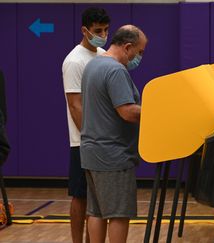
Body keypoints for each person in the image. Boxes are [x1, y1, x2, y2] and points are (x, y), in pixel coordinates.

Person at [80, 25, 147, 243]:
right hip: (113, 155)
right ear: (127, 47)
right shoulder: (116, 70)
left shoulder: (93, 65)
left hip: (91, 152)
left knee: (96, 211)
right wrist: (158, 112)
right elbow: (127, 111)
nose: (140, 57)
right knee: (119, 213)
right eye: (140, 51)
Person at [62, 7, 110, 243]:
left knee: (97, 199)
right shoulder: (74, 61)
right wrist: (89, 139)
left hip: (103, 140)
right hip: (83, 141)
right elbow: (75, 105)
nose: (103, 34)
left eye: (106, 30)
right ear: (85, 30)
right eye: (98, 30)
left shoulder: (102, 55)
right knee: (80, 196)